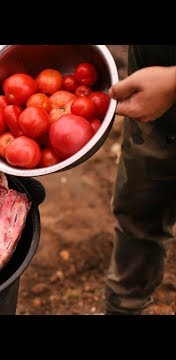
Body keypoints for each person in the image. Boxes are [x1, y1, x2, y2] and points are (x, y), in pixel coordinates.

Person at [105, 45, 176, 314]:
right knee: (139, 212)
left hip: (161, 84)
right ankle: (124, 307)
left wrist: (172, 82)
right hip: (152, 87)